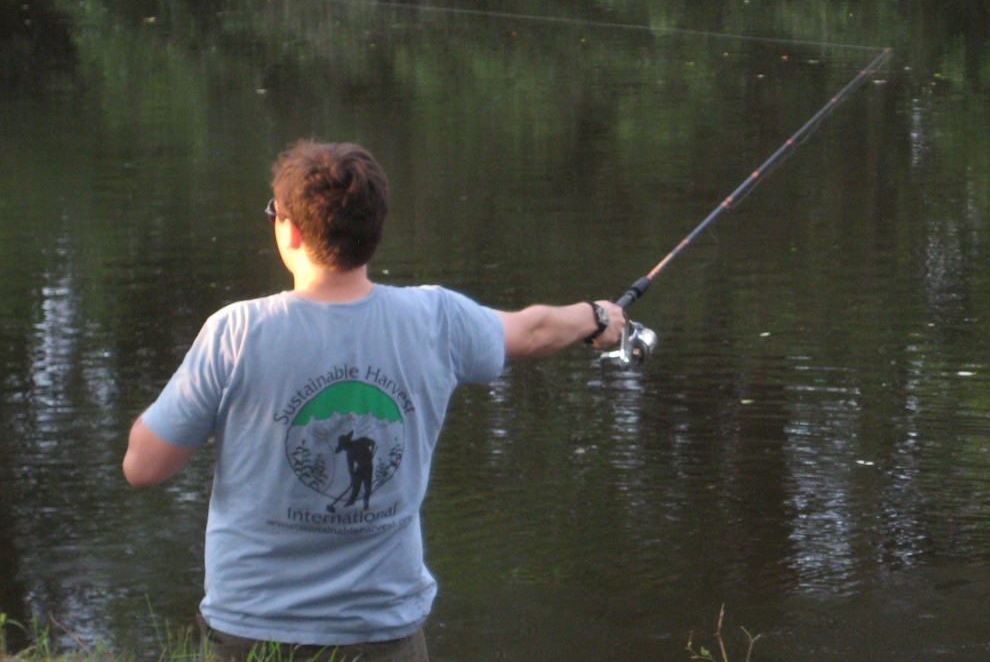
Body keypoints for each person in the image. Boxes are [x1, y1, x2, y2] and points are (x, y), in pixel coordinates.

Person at [122, 140, 626, 661]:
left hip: (253, 632)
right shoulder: (436, 320)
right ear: (375, 231)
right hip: (384, 635)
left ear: (290, 229)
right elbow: (534, 329)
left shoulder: (237, 331)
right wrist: (597, 316)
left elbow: (143, 466)